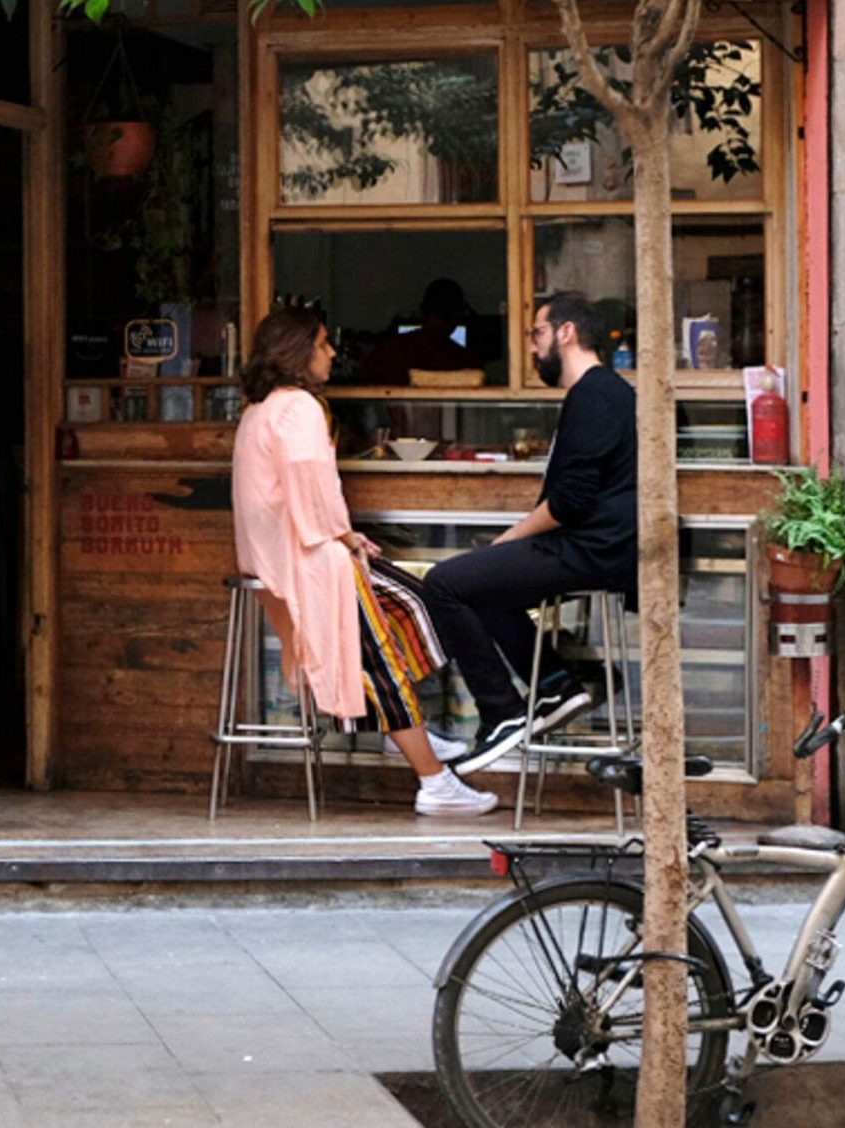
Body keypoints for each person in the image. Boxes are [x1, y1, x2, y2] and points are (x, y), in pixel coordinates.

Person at [231, 303, 497, 817]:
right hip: (310, 558)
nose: (332, 353)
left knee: (412, 605)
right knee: (380, 655)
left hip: (279, 561)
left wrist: (343, 536)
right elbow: (311, 486)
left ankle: (414, 731)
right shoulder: (299, 407)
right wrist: (345, 535)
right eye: (324, 343)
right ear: (298, 351)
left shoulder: (258, 408)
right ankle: (433, 780)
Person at [422, 290, 626, 773]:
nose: (534, 348)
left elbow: (572, 500)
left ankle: (501, 713)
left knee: (443, 583)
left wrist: (512, 538)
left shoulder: (595, 394)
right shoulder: (603, 391)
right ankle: (556, 685)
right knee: (484, 584)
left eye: (537, 334)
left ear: (566, 332)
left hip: (591, 549)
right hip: (594, 544)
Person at [350, 277, 485, 385]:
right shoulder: (464, 360)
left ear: (422, 311)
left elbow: (363, 379)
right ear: (457, 316)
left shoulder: (392, 349)